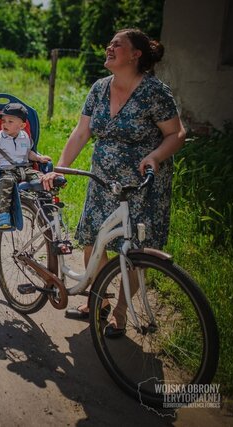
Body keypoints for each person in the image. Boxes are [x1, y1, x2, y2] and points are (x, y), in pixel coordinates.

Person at [42, 28, 186, 337]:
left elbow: (176, 133)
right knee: (94, 239)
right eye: (109, 43)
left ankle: (121, 311)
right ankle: (101, 301)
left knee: (136, 250)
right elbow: (82, 133)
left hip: (143, 187)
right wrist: (61, 168)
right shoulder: (99, 89)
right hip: (103, 181)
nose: (109, 47)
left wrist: (156, 157)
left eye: (117, 45)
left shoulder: (154, 92)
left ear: (136, 54)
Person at [0, 103, 52, 229]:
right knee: (6, 182)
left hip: (25, 168)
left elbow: (29, 153)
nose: (5, 124)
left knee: (42, 178)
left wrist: (38, 158)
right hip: (7, 170)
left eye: (10, 121)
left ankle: (48, 206)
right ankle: (4, 214)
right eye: (3, 120)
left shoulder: (25, 137)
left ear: (22, 126)